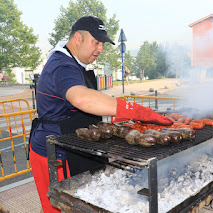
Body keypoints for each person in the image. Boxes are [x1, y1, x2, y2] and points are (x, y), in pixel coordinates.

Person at [29, 16, 172, 213]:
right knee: (63, 207)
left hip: (73, 144)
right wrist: (135, 110)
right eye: (96, 42)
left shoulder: (73, 61)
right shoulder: (62, 66)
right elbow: (81, 99)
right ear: (78, 38)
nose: (101, 49)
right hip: (56, 154)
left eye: (102, 44)